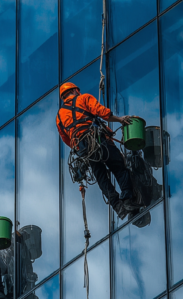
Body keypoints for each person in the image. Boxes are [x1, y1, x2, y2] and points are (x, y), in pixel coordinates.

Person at [55, 82, 139, 219]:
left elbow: (66, 138)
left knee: (101, 178)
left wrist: (80, 147)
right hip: (99, 140)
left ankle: (118, 207)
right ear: (76, 90)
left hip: (85, 150)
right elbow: (103, 113)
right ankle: (128, 200)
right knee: (119, 167)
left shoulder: (59, 116)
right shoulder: (84, 98)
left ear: (63, 97)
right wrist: (120, 119)